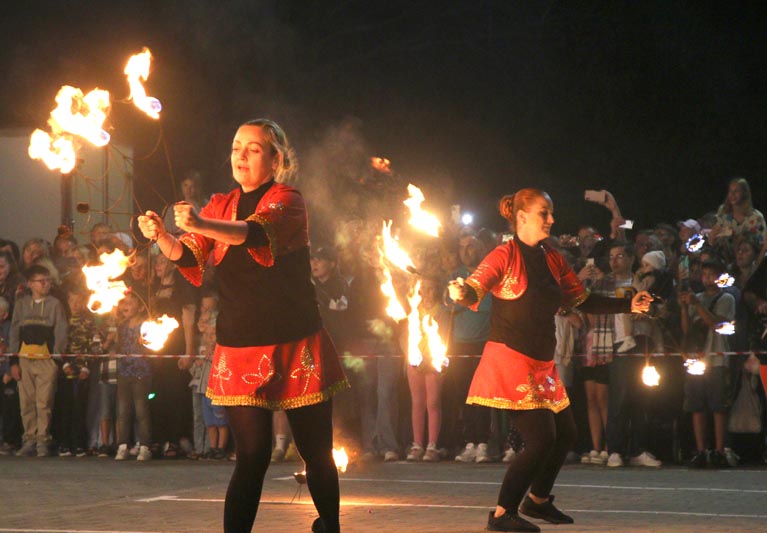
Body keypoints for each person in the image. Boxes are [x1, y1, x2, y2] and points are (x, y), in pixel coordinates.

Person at [138, 118, 348, 533]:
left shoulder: (288, 199)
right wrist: (161, 236)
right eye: (236, 147)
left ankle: (330, 526)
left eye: (253, 149)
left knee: (316, 450)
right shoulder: (220, 203)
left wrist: (198, 224)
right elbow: (190, 257)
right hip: (239, 343)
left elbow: (252, 234)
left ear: (276, 158)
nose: (241, 155)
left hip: (294, 341)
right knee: (251, 455)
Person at [448, 189, 651, 533]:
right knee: (541, 439)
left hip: (542, 363)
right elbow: (474, 289)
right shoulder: (503, 255)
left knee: (567, 434)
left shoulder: (553, 257)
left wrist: (628, 305)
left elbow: (582, 299)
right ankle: (501, 515)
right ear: (522, 217)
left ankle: (537, 501)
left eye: (551, 213)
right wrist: (461, 291)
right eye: (545, 213)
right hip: (510, 360)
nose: (552, 220)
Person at [679, 259, 736, 468]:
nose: (707, 278)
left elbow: (716, 323)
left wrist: (696, 304)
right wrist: (684, 308)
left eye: (712, 274)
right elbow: (687, 330)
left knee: (718, 406)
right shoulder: (698, 297)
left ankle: (720, 450)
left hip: (717, 356)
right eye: (704, 274)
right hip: (697, 357)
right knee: (697, 405)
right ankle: (701, 450)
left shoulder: (727, 297)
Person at [9, 264, 68, 457]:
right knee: (26, 401)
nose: (46, 284)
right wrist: (13, 362)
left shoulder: (54, 304)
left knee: (44, 402)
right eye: (41, 281)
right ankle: (29, 438)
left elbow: (61, 331)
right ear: (30, 284)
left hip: (46, 360)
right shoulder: (21, 304)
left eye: (48, 281)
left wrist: (56, 359)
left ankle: (43, 439)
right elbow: (14, 332)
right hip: (25, 359)